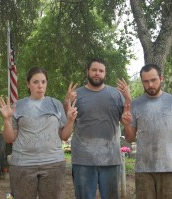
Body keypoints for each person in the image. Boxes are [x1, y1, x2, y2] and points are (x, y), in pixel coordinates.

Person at [0, 66, 78, 199]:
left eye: (43, 82)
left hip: (53, 164)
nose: (40, 86)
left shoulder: (55, 104)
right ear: (28, 84)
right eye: (35, 82)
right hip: (22, 164)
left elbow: (64, 136)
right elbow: (9, 138)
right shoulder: (18, 105)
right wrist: (6, 119)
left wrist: (70, 121)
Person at [122, 64, 172, 199]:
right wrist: (127, 125)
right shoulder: (136, 104)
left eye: (153, 80)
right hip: (143, 169)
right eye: (146, 81)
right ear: (142, 82)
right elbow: (129, 138)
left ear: (161, 78)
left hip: (168, 168)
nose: (150, 85)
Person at [64, 58, 131, 199]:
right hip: (83, 159)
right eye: (94, 70)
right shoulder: (77, 95)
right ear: (87, 72)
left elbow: (126, 119)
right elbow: (66, 122)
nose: (97, 73)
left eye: (101, 71)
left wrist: (128, 98)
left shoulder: (116, 95)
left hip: (111, 158)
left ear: (105, 74)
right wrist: (67, 101)